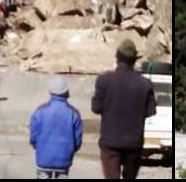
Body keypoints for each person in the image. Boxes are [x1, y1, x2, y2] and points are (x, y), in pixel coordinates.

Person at [92, 40, 157, 179]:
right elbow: (150, 112)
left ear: (117, 58)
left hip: (110, 142)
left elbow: (96, 108)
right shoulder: (145, 85)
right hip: (134, 143)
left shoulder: (104, 80)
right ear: (134, 61)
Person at [30, 77, 83, 179]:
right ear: (66, 91)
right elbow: (77, 140)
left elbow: (33, 136)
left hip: (43, 158)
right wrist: (71, 150)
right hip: (64, 159)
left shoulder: (40, 111)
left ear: (50, 91)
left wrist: (38, 146)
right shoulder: (73, 113)